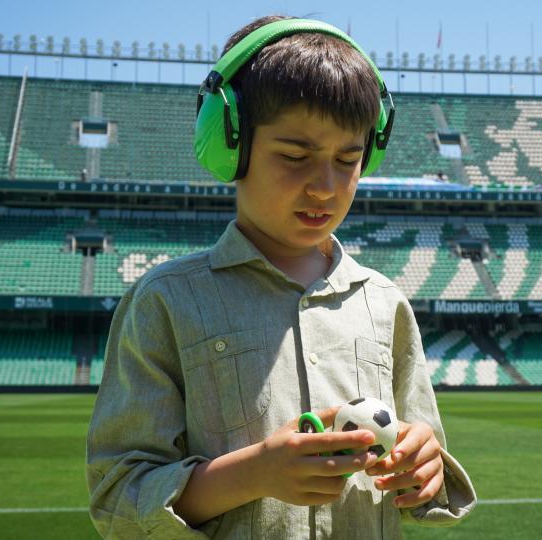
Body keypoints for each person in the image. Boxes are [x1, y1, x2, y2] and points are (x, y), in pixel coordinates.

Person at [86, 15, 476, 539]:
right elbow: (118, 500)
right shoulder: (165, 302)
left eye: (349, 159)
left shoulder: (385, 304)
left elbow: (421, 460)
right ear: (230, 146)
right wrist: (256, 472)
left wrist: (424, 467)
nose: (325, 186)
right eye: (295, 156)